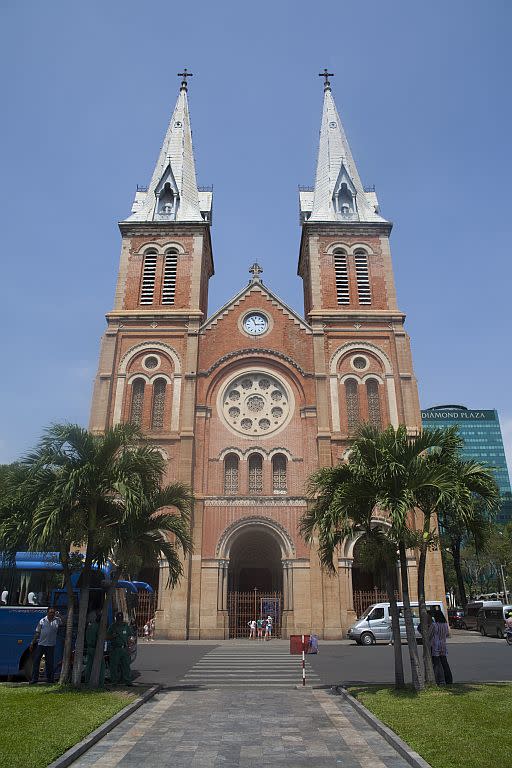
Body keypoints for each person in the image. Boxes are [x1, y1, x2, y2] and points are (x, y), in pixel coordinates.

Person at [29, 607, 62, 684]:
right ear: (47, 613)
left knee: (50, 663)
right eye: (50, 612)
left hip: (51, 645)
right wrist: (32, 643)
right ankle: (34, 679)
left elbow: (64, 622)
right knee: (36, 662)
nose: (52, 614)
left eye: (53, 613)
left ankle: (50, 679)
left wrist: (59, 615)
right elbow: (37, 633)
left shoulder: (57, 620)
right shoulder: (42, 621)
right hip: (41, 645)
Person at [107, 611, 134, 685]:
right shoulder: (112, 626)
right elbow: (107, 637)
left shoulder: (126, 626)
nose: (119, 620)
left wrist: (130, 646)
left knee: (126, 665)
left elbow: (130, 637)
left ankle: (127, 681)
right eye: (118, 618)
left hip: (124, 649)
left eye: (120, 618)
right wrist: (113, 636)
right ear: (116, 618)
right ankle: (114, 681)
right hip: (115, 649)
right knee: (114, 666)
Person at [430, 609, 452, 685]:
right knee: (444, 663)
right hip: (443, 644)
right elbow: (447, 634)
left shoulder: (434, 625)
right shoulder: (445, 624)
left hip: (435, 645)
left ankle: (436, 680)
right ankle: (449, 679)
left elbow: (430, 634)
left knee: (436, 664)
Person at [85, 611, 105, 685]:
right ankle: (100, 683)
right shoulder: (98, 627)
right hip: (95, 648)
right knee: (101, 666)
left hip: (89, 648)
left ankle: (87, 681)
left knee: (89, 665)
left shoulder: (90, 626)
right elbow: (99, 638)